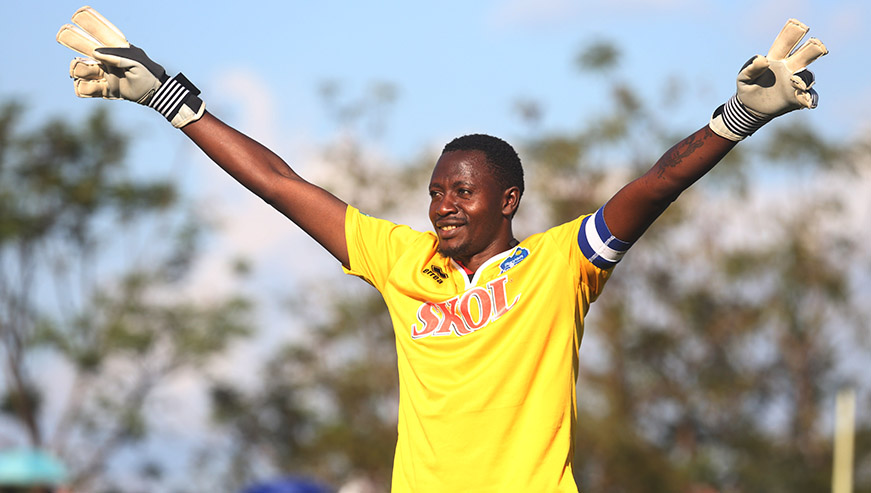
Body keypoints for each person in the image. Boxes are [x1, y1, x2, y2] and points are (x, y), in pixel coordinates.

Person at [57, 7, 826, 492]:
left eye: (460, 191)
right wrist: (171, 102)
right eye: (434, 190)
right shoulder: (402, 260)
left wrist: (735, 118)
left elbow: (655, 184)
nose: (441, 205)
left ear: (507, 199)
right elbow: (282, 185)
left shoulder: (563, 265)